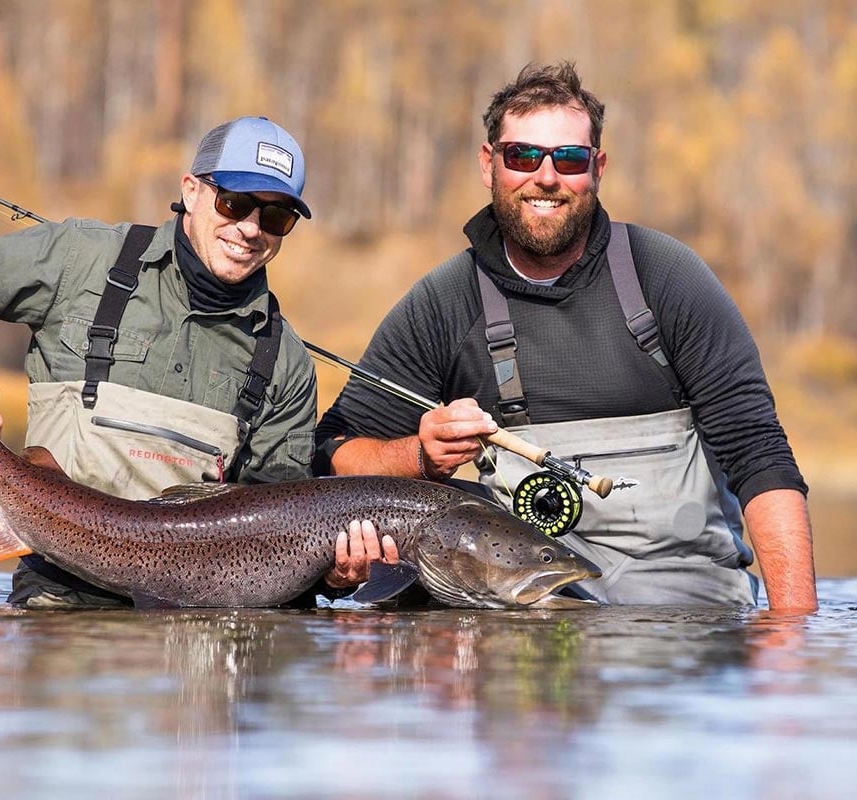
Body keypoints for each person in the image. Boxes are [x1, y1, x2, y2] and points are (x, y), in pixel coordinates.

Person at [315, 63, 817, 611]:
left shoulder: (666, 276)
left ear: (597, 168)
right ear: (490, 165)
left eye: (569, 159)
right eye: (523, 156)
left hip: (678, 613)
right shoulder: (445, 302)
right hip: (517, 612)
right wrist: (420, 455)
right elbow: (335, 453)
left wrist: (792, 631)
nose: (546, 177)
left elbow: (759, 453)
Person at [0, 116, 393, 607]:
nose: (249, 229)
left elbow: (280, 525)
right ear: (192, 191)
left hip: (190, 637)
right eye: (235, 203)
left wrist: (336, 575)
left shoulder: (285, 362)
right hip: (58, 606)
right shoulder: (83, 260)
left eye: (275, 217)